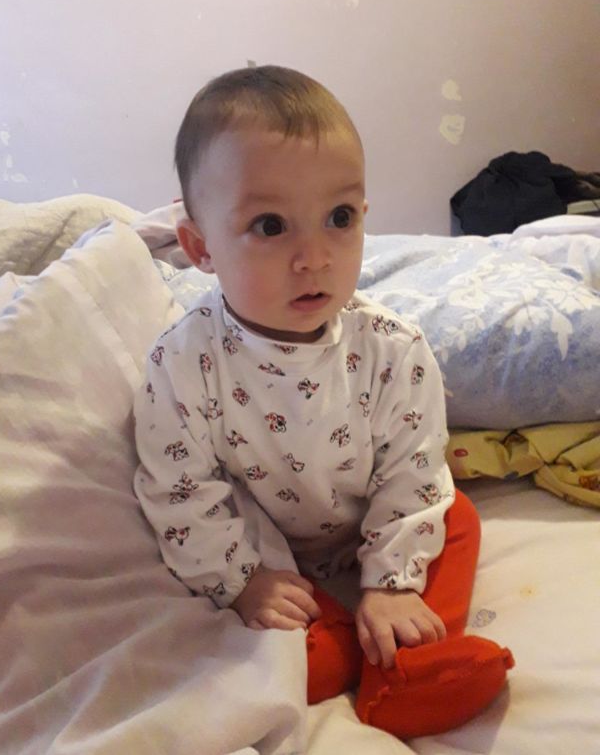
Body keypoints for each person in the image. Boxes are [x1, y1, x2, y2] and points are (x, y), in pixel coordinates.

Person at [134, 65, 514, 739]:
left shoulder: (393, 348)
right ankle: (348, 652)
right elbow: (179, 490)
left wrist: (393, 584)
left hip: (371, 520)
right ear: (200, 247)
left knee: (455, 515)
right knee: (250, 635)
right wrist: (243, 579)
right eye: (270, 225)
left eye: (339, 218)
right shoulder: (182, 364)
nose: (314, 256)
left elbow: (412, 472)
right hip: (269, 546)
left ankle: (410, 658)